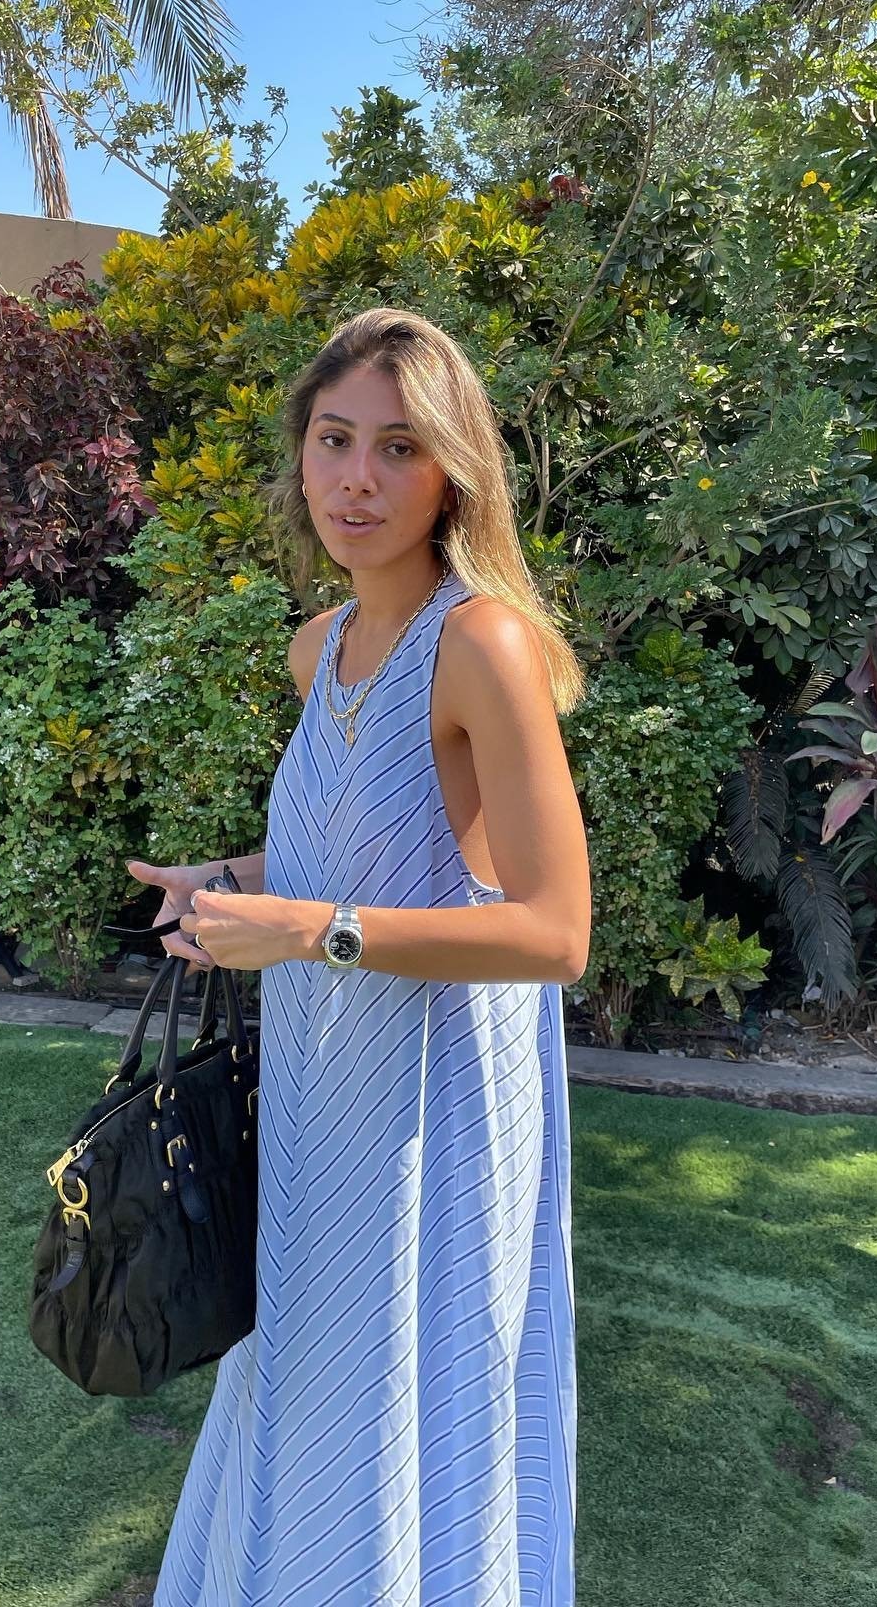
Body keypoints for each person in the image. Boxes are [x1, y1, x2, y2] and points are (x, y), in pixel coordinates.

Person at [125, 307, 592, 1606]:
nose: (358, 480)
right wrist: (236, 885)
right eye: (335, 441)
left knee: (414, 1399)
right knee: (309, 1382)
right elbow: (361, 850)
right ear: (302, 455)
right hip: (322, 1097)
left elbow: (556, 931)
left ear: (454, 473)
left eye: (398, 448)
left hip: (437, 1115)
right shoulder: (316, 647)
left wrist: (307, 931)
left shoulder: (482, 643)